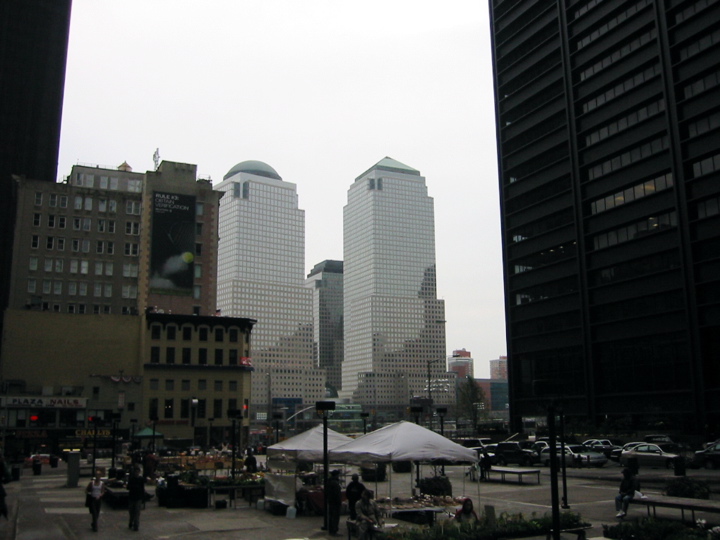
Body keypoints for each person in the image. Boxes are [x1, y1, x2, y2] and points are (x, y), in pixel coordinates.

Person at [127, 465, 146, 531]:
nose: (137, 473)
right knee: (132, 512)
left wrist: (143, 498)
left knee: (137, 512)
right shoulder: (131, 479)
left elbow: (142, 488)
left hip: (138, 497)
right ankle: (131, 521)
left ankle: (136, 525)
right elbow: (128, 487)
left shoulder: (141, 479)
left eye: (138, 472)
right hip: (132, 497)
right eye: (136, 472)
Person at [326, 469, 342, 536]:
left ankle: (331, 530)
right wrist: (339, 501)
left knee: (331, 516)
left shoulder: (329, 482)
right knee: (335, 517)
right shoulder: (335, 483)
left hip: (331, 501)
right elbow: (337, 494)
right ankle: (334, 530)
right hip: (335, 502)